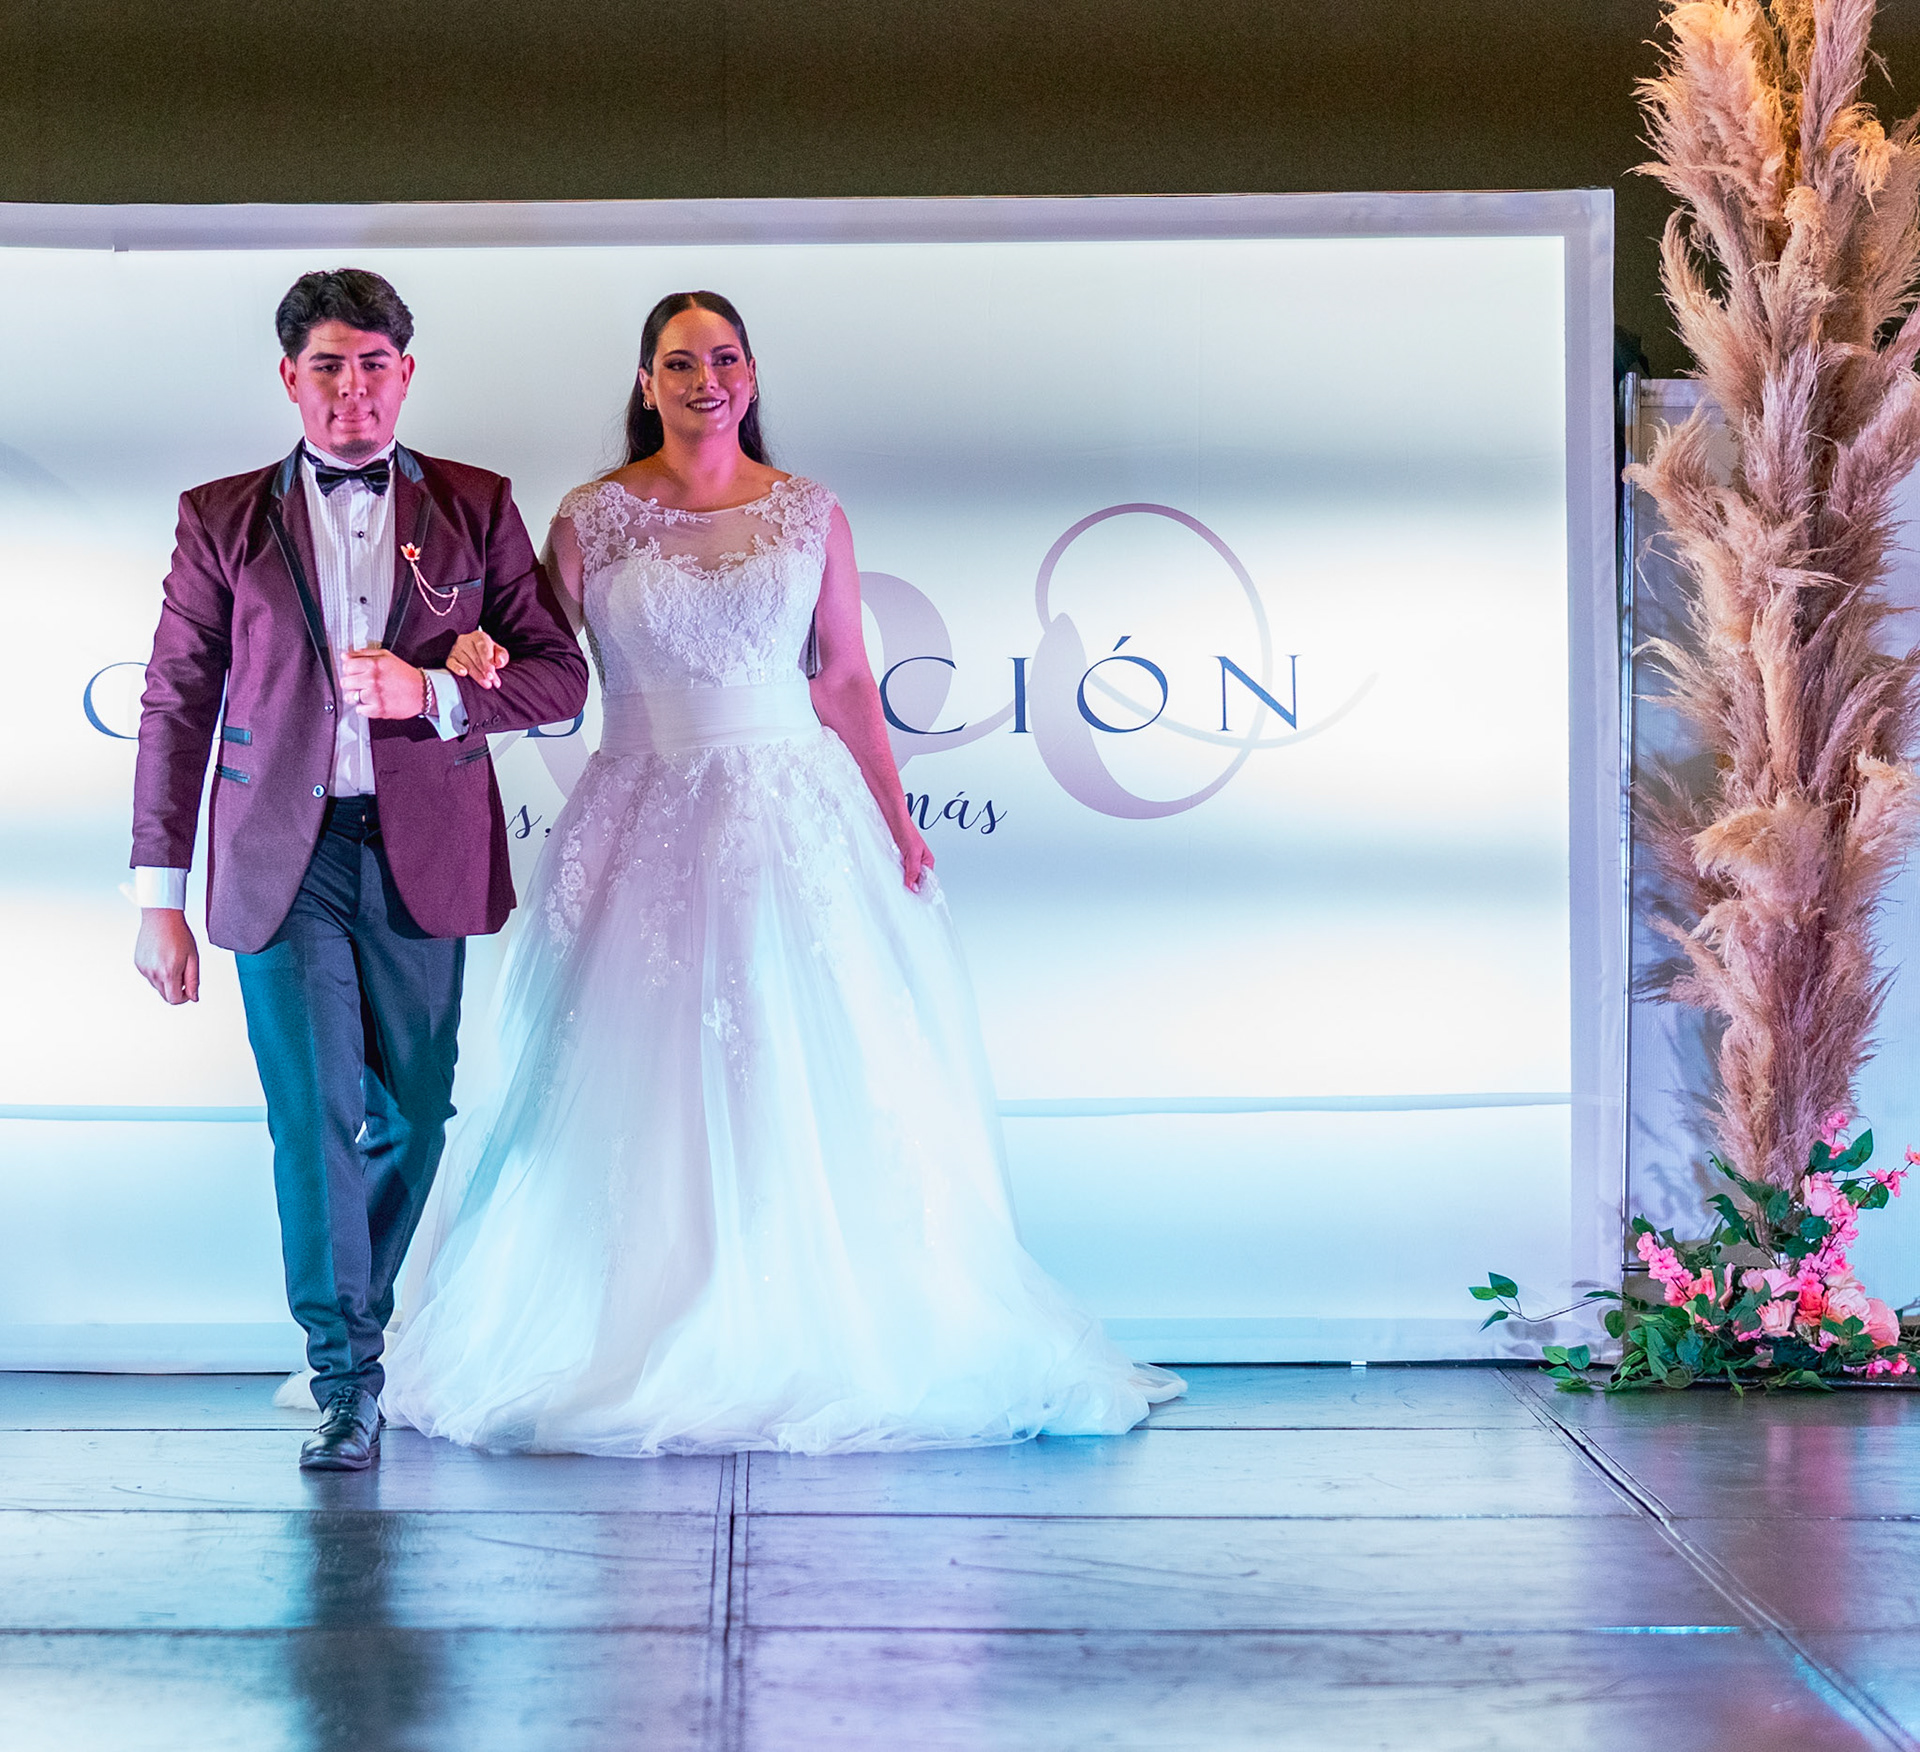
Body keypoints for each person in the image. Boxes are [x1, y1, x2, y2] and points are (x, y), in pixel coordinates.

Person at [381, 290, 1182, 1454]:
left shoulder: (810, 511)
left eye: (724, 359)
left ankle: (815, 1323)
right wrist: (467, 652)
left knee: (801, 1057)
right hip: (638, 812)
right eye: (679, 362)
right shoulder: (591, 517)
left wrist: (897, 820)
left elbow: (844, 678)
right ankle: (624, 1320)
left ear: (750, 376)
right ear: (645, 382)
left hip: (788, 812)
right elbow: (546, 663)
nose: (705, 380)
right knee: (629, 1072)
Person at [130, 269, 591, 1471]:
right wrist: (157, 898)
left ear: (406, 373)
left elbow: (560, 678)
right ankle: (346, 1378)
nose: (352, 389)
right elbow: (176, 703)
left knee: (415, 1113)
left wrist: (432, 689)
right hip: (278, 862)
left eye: (373, 365)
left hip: (419, 853)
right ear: (291, 378)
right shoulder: (222, 517)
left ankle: (360, 1323)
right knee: (315, 1116)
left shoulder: (476, 504)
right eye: (328, 366)